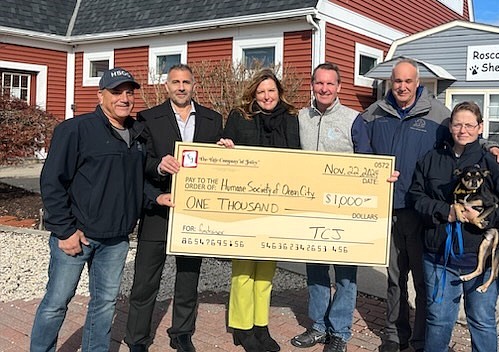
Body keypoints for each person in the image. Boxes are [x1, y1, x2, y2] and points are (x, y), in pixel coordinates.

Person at [352, 58, 499, 352]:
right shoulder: (372, 114)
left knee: (425, 283)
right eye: (397, 81)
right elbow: (361, 152)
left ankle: (421, 339)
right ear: (390, 82)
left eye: (408, 81)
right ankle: (395, 336)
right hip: (390, 209)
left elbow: (464, 133)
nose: (402, 86)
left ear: (418, 82)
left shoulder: (438, 114)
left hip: (423, 213)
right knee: (395, 279)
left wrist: (491, 147)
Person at [30, 67, 148, 352]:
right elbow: (52, 181)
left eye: (129, 93)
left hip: (116, 238)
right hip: (77, 236)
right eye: (116, 92)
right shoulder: (75, 130)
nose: (124, 98)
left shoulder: (138, 134)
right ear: (100, 95)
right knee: (56, 303)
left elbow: (139, 183)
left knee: (104, 304)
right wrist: (65, 230)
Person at [409, 101, 499, 352]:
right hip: (439, 257)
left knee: (482, 321)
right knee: (438, 320)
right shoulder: (431, 159)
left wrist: (486, 217)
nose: (463, 130)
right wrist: (447, 211)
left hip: (480, 260)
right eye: (457, 124)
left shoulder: (492, 162)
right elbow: (416, 197)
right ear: (450, 127)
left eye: (469, 125)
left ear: (480, 127)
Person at [125, 64, 223, 352]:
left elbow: (219, 164)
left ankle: (182, 332)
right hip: (159, 207)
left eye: (186, 82)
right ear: (166, 86)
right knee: (145, 280)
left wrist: (227, 152)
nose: (181, 87)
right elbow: (137, 163)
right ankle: (137, 338)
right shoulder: (147, 118)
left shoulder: (212, 119)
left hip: (194, 212)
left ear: (195, 85)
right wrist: (158, 165)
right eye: (175, 82)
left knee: (189, 276)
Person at [218, 68, 300, 352]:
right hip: (245, 206)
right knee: (243, 270)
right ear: (254, 93)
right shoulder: (239, 117)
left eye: (271, 91)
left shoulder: (291, 119)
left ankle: (260, 324)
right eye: (261, 91)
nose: (267, 96)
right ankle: (242, 327)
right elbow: (224, 151)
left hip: (277, 207)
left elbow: (299, 158)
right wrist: (225, 147)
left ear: (279, 93)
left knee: (266, 271)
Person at [290, 63, 360, 352]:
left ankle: (340, 331)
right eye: (319, 83)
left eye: (330, 84)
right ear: (312, 85)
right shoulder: (301, 117)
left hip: (344, 209)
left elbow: (368, 159)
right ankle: (319, 326)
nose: (324, 89)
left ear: (339, 87)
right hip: (311, 208)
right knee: (316, 271)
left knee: (345, 274)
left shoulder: (355, 120)